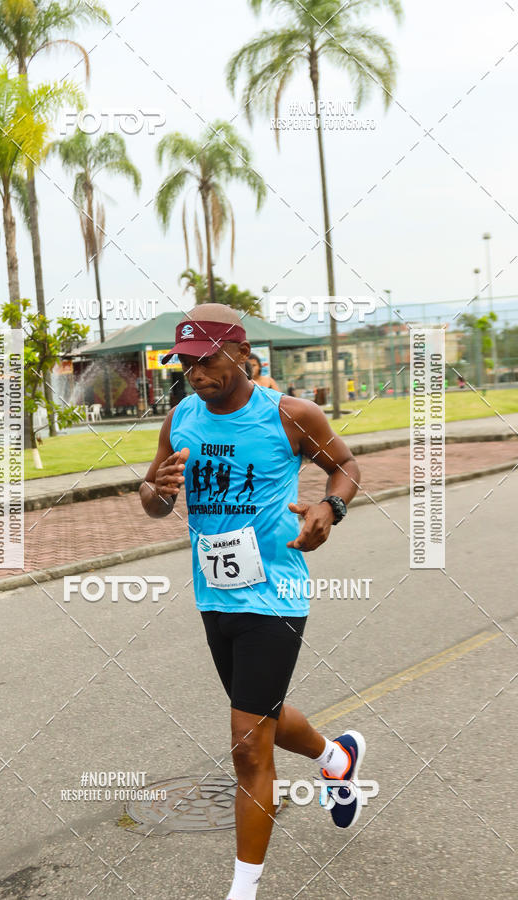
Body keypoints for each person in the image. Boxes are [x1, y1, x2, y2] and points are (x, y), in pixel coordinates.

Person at [140, 304, 364, 900]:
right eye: (186, 363)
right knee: (261, 715)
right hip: (214, 592)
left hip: (277, 593)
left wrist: (330, 508)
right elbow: (153, 496)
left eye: (208, 359)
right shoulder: (181, 417)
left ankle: (243, 890)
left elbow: (345, 465)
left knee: (246, 745)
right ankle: (336, 757)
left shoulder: (291, 415)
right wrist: (156, 491)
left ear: (242, 354)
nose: (196, 373)